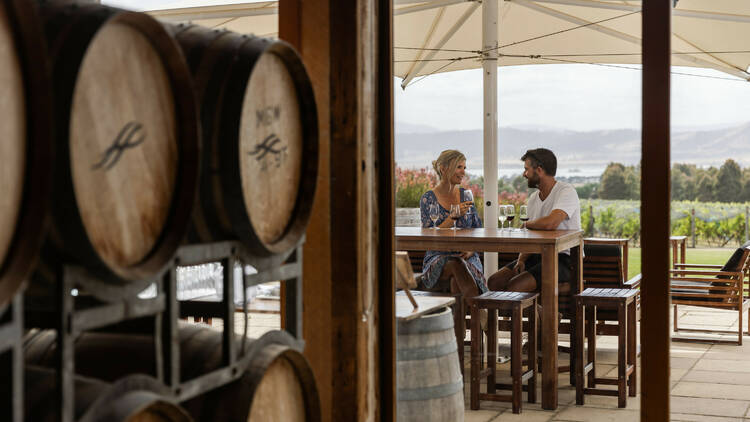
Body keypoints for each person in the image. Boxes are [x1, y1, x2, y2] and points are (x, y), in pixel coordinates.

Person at [488, 148, 581, 295]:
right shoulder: (533, 199)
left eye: (526, 169)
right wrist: (521, 259)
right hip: (538, 255)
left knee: (515, 286)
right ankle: (538, 313)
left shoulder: (566, 191)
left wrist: (526, 224)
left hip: (565, 259)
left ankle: (539, 316)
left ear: (539, 170)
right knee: (494, 282)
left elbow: (551, 222)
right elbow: (530, 235)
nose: (524, 174)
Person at [419, 150, 488, 299]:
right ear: (443, 168)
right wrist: (453, 217)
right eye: (459, 167)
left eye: (464, 167)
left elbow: (478, 230)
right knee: (457, 264)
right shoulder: (428, 198)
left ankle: (462, 321)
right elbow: (428, 234)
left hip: (467, 255)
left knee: (456, 281)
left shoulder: (465, 196)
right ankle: (478, 313)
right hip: (438, 256)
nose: (463, 172)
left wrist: (471, 250)